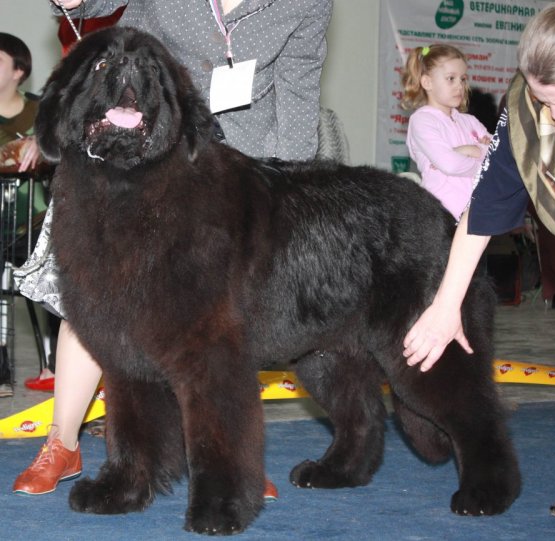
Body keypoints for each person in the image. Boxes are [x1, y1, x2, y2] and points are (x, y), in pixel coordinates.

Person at [13, 0, 332, 499]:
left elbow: (299, 77)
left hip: (231, 153)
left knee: (217, 321)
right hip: (125, 125)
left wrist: (288, 180)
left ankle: (228, 457)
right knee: (94, 303)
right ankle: (62, 440)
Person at [403, 0, 555, 518]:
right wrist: (446, 307)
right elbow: (485, 207)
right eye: (542, 98)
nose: (553, 114)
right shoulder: (530, 105)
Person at [401, 44, 491, 221]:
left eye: (463, 79)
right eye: (451, 78)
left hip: (477, 215)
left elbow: (497, 157)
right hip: (440, 218)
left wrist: (468, 150)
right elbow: (450, 164)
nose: (460, 86)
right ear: (427, 82)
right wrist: (478, 152)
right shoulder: (422, 120)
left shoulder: (470, 121)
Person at [0, 33, 42, 398]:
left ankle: (57, 368)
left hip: (37, 224)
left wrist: (39, 146)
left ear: (19, 70)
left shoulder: (44, 114)